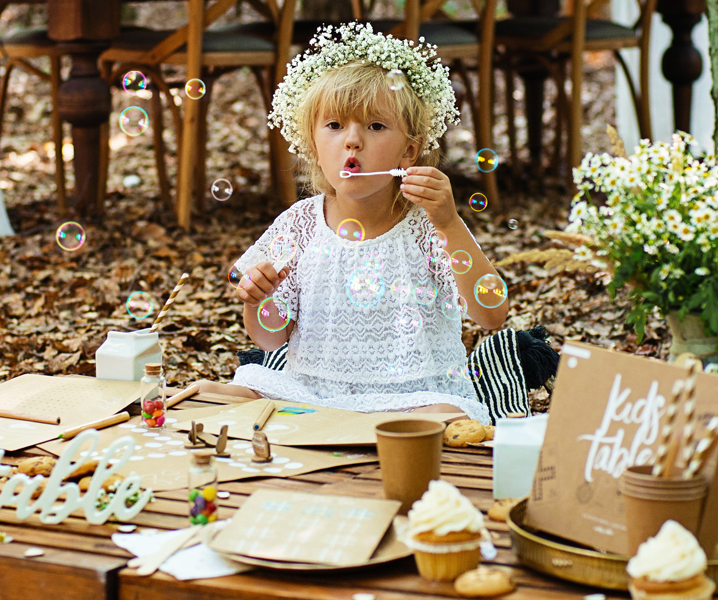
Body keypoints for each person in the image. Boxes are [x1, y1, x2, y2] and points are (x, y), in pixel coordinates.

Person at [198, 23, 517, 424]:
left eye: (375, 126)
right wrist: (257, 301)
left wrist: (450, 224)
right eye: (334, 126)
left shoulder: (427, 226)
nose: (352, 141)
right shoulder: (299, 225)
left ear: (409, 151)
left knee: (448, 416)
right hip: (313, 392)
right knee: (209, 394)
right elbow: (271, 339)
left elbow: (492, 315)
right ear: (313, 145)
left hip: (413, 396)